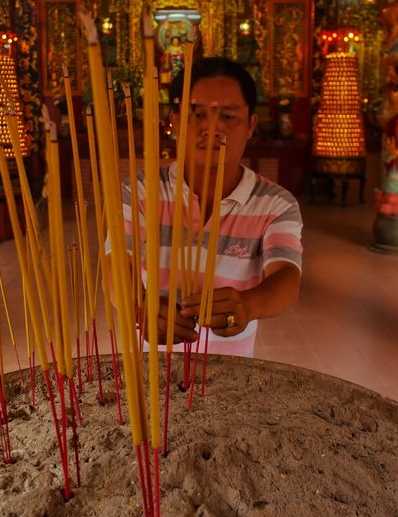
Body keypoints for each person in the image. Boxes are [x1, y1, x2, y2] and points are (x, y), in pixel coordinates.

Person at [122, 56, 303, 357]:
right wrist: (141, 303)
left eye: (228, 117)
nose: (212, 129)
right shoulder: (141, 192)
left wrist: (247, 305)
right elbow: (118, 263)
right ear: (175, 121)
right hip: (152, 364)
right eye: (197, 115)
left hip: (232, 367)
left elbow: (286, 278)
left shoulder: (275, 203)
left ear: (250, 125)